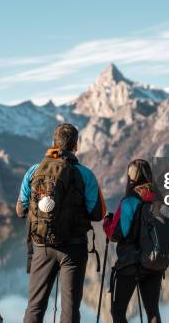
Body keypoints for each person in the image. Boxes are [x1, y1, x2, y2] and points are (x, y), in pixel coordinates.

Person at [17, 123, 106, 323]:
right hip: (74, 248)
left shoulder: (34, 171)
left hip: (42, 246)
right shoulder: (86, 174)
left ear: (53, 143)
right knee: (70, 308)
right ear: (76, 145)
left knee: (35, 306)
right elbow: (98, 213)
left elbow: (21, 209)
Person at [103, 159, 163, 323]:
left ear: (131, 178)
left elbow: (116, 235)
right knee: (153, 312)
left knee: (118, 312)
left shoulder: (129, 201)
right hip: (154, 264)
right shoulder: (158, 200)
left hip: (130, 264)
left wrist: (107, 223)